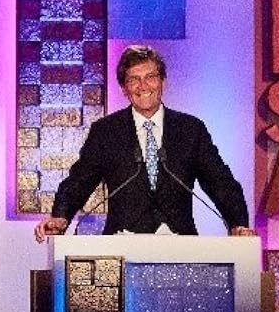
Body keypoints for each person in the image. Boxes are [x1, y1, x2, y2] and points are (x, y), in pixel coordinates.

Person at [34, 45, 255, 239]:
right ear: (124, 88)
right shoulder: (106, 131)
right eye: (133, 80)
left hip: (181, 248)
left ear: (162, 82)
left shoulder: (190, 129)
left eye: (150, 77)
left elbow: (220, 182)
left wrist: (238, 224)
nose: (143, 86)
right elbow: (79, 181)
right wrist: (60, 217)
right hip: (122, 246)